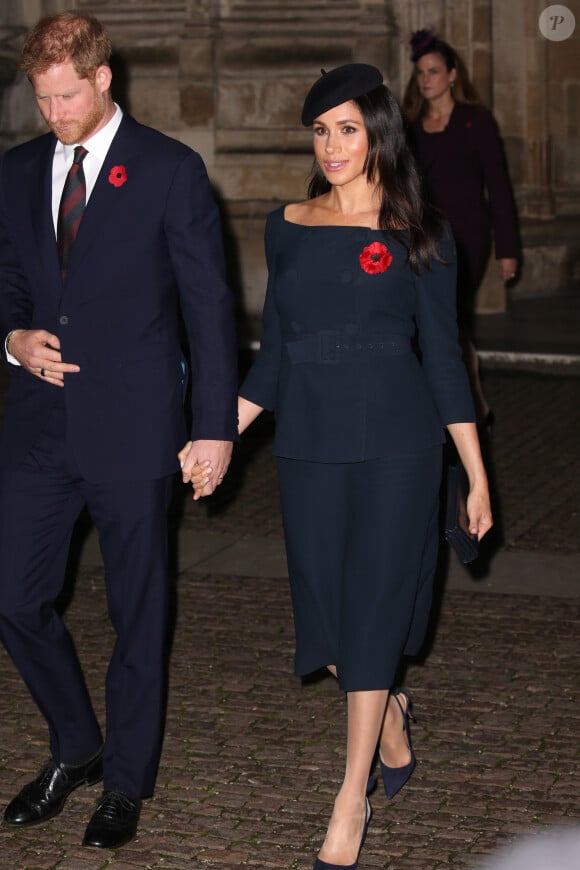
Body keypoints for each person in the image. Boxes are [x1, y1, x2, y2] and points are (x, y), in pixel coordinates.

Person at [185, 64, 493, 869]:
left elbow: (444, 366)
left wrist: (476, 472)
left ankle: (349, 798)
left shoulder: (418, 229)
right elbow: (275, 358)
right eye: (320, 130)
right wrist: (220, 435)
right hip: (310, 446)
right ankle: (387, 707)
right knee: (328, 622)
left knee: (376, 604)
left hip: (400, 444)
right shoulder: (288, 224)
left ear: (379, 133)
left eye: (347, 128)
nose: (332, 145)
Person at [0, 12, 237, 849]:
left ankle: (126, 782)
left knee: (138, 613)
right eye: (41, 98)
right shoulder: (19, 169)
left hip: (136, 430)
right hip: (37, 430)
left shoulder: (170, 170)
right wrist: (13, 338)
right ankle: (78, 746)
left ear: (104, 79)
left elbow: (210, 310)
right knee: (13, 596)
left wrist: (215, 429)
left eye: (67, 95)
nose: (54, 112)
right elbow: (7, 283)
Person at [403, 30, 520, 427]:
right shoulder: (411, 125)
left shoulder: (476, 121)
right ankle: (474, 402)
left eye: (434, 71)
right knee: (442, 320)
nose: (426, 79)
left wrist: (508, 249)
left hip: (468, 235)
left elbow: (499, 187)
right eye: (420, 73)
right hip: (424, 234)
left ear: (453, 74)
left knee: (448, 318)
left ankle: (466, 405)